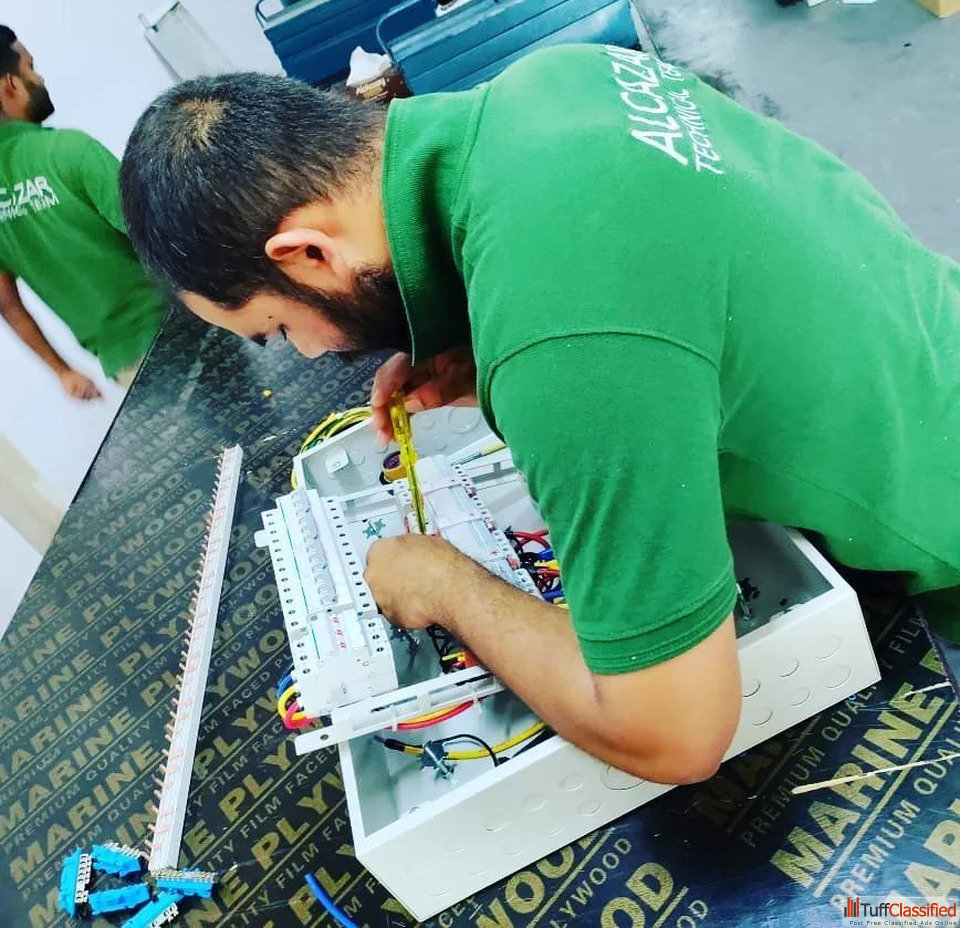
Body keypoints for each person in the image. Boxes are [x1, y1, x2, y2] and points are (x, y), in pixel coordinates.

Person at [118, 44, 959, 784]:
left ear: (305, 252)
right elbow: (669, 272)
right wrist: (487, 347)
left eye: (276, 329)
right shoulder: (551, 82)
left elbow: (674, 732)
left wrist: (443, 583)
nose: (306, 353)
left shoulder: (559, 348)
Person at [0, 25, 167, 399]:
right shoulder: (70, 151)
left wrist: (62, 371)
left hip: (124, 366)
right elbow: (158, 235)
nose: (40, 78)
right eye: (30, 68)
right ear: (9, 85)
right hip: (176, 329)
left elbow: (6, 303)